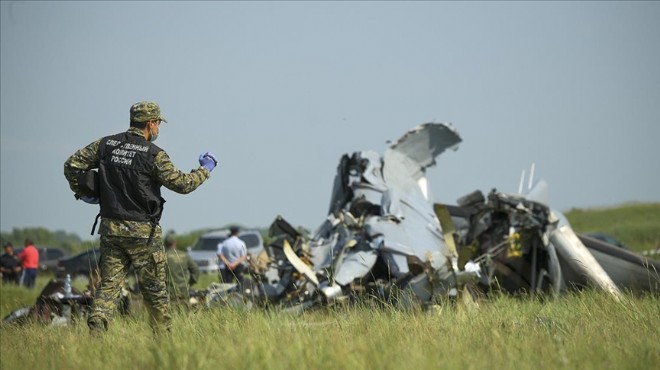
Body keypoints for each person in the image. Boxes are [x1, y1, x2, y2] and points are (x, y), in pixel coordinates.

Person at [63, 101, 217, 335]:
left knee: (109, 285)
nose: (158, 129)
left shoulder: (106, 145)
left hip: (111, 228)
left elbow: (72, 164)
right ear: (151, 123)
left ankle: (97, 323)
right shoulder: (154, 154)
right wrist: (205, 169)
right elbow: (183, 184)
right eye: (158, 124)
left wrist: (84, 193)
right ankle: (162, 337)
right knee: (155, 289)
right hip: (143, 234)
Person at [164, 232, 200, 307]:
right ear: (175, 242)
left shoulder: (164, 255)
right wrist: (190, 283)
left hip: (169, 289)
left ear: (165, 243)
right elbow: (196, 270)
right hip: (184, 288)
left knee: (172, 310)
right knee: (185, 310)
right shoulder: (185, 255)